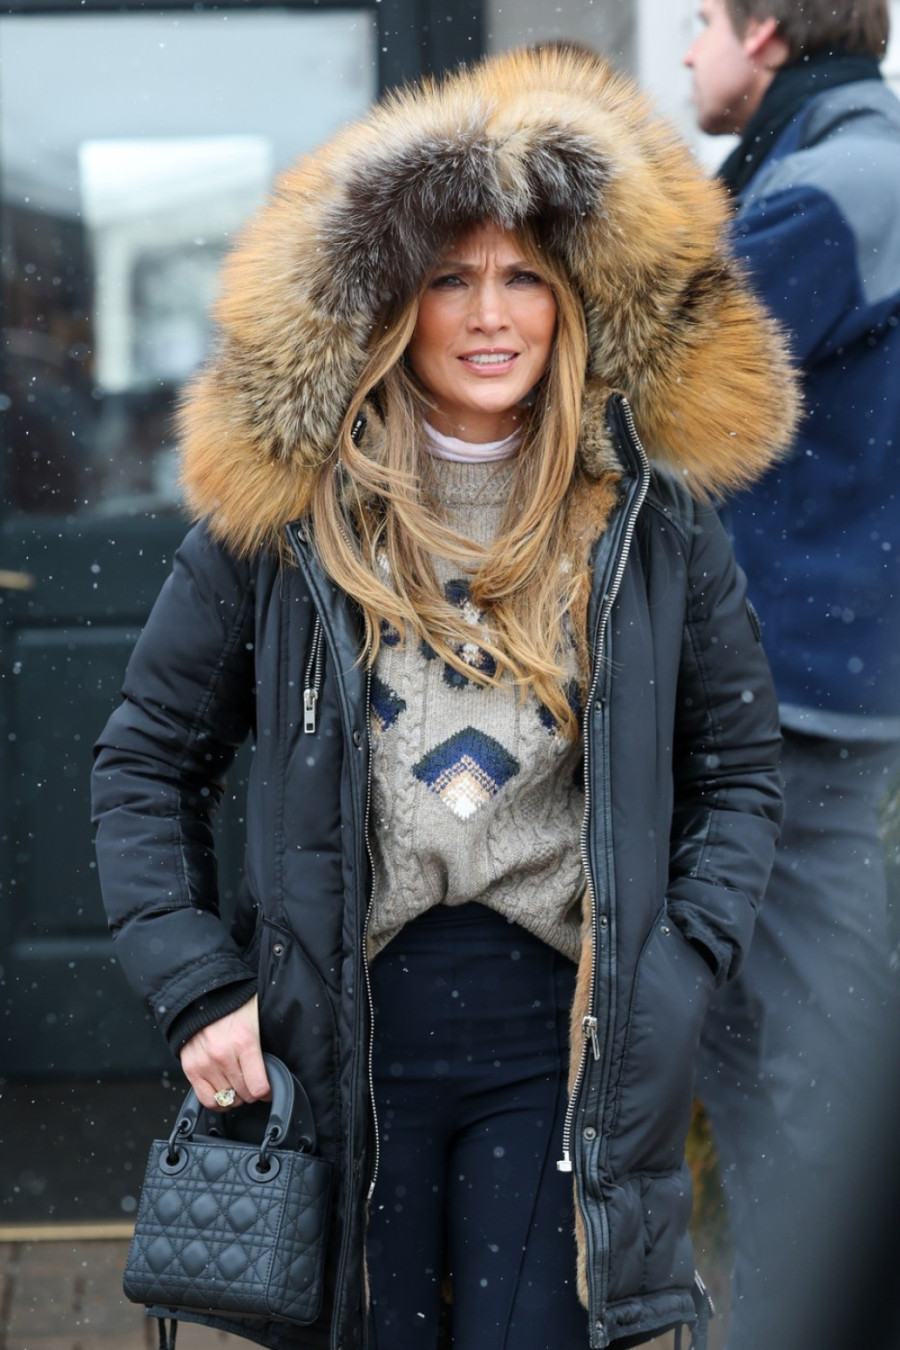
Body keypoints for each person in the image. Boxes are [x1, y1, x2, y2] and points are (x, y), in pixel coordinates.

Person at [91, 45, 796, 1350]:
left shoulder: (650, 521)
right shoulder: (289, 516)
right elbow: (146, 763)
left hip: (558, 1047)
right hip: (341, 1044)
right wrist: (195, 985)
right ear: (392, 302)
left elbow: (740, 772)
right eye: (450, 278)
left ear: (571, 300)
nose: (490, 315)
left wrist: (679, 967)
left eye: (524, 277)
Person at [683, 3, 900, 1346]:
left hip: (796, 697)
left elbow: (659, 397)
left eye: (702, 20)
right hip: (807, 684)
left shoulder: (835, 187)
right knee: (764, 1068)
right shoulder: (834, 166)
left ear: (764, 30)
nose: (688, 51)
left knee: (806, 1072)